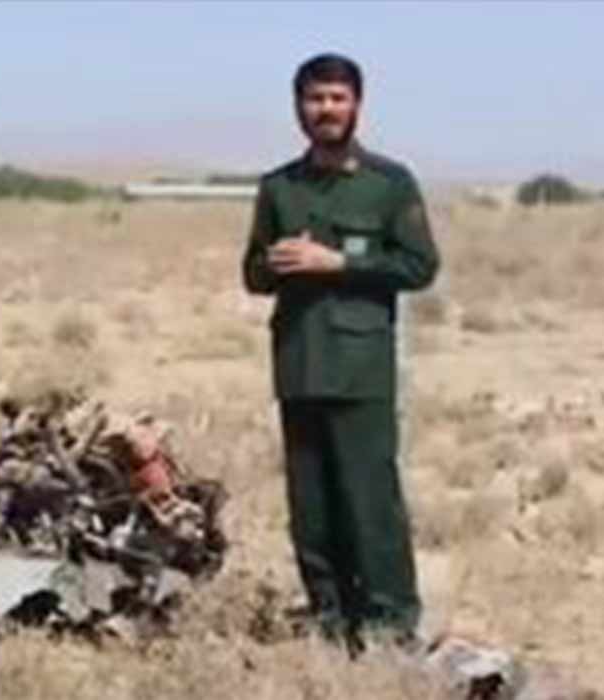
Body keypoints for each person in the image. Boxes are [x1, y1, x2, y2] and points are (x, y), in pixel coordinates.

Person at [241, 53, 440, 652]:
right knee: (312, 507)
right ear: (297, 107)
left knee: (369, 499)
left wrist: (339, 262)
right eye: (315, 98)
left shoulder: (389, 183)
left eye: (337, 98)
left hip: (361, 369)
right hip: (298, 363)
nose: (325, 109)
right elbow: (252, 274)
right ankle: (330, 619)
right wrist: (276, 263)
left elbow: (418, 265)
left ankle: (389, 623)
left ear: (357, 105)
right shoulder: (279, 187)